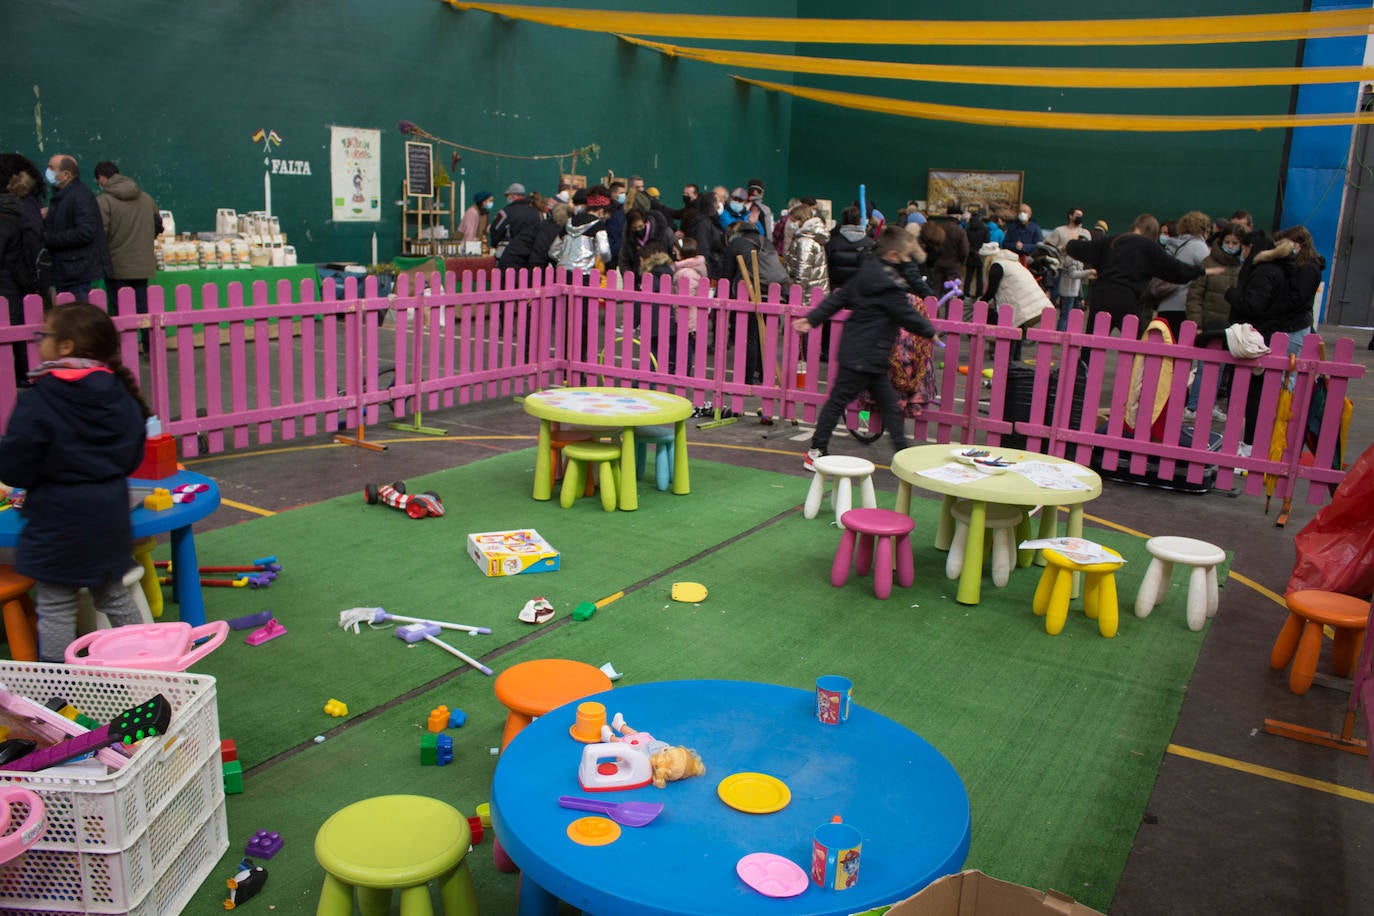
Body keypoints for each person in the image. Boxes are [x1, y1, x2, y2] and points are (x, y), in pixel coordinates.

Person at [0, 302, 149, 662]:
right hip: (107, 516)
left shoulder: (41, 396)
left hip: (58, 520)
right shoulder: (118, 392)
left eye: (44, 335)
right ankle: (149, 660)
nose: (39, 342)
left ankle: (58, 687)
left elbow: (16, 463)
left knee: (55, 606)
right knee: (113, 595)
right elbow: (131, 455)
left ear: (66, 346)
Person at [793, 227, 941, 469]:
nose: (907, 261)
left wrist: (812, 319)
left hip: (863, 354)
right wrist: (930, 331)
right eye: (905, 256)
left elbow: (837, 298)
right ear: (893, 255)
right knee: (843, 402)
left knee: (886, 407)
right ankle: (817, 450)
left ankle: (901, 452)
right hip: (867, 355)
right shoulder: (888, 285)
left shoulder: (866, 273)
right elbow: (906, 314)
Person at [1225, 230, 1307, 455]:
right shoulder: (1281, 269)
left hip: (1254, 340)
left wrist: (1231, 294)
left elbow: (1254, 305)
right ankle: (1249, 442)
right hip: (1267, 336)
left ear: (1250, 248)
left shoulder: (1263, 272)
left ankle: (1247, 444)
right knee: (1255, 394)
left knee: (1249, 395)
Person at [1067, 214, 1218, 332]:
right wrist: (1202, 270)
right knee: (1137, 345)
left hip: (1101, 298)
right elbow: (1177, 270)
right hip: (1128, 300)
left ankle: (1084, 368)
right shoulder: (1150, 248)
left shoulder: (1111, 241)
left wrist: (1071, 242)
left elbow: (1078, 248)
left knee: (1092, 344)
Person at [94, 162, 160, 345]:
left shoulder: (103, 201)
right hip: (142, 264)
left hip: (116, 265)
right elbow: (158, 225)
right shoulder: (146, 198)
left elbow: (100, 233)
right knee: (144, 309)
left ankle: (126, 347)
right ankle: (149, 346)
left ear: (100, 178)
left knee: (121, 311)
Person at [1183, 221, 1242, 421]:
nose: (1231, 246)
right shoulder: (1208, 264)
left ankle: (1207, 405)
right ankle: (1194, 406)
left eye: (1235, 242)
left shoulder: (1241, 267)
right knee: (1204, 367)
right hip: (1209, 323)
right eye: (1228, 241)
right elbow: (1195, 296)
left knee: (1221, 368)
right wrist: (1196, 323)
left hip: (1230, 326)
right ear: (1220, 241)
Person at [44, 154, 112, 299]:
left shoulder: (79, 195)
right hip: (69, 270)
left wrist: (49, 238)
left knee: (79, 317)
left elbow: (85, 232)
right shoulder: (64, 195)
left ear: (66, 175)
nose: (47, 171)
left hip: (78, 271)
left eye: (51, 168)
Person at [1152, 210, 1211, 339]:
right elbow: (1209, 271)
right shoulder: (1198, 246)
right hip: (1183, 307)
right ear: (1204, 229)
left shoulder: (1176, 246)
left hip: (1165, 305)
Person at [489, 182, 541, 270]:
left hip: (508, 255)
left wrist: (495, 244)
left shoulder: (505, 213)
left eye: (508, 196)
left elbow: (495, 231)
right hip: (530, 255)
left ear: (513, 196)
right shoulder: (536, 213)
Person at [784, 202, 829, 300]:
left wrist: (796, 293)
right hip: (815, 291)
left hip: (807, 295)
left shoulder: (805, 241)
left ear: (800, 220)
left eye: (793, 220)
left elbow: (802, 271)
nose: (791, 224)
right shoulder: (813, 237)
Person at [825, 205, 874, 291]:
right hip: (861, 289)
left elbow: (827, 266)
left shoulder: (832, 242)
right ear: (859, 220)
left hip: (836, 289)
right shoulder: (869, 243)